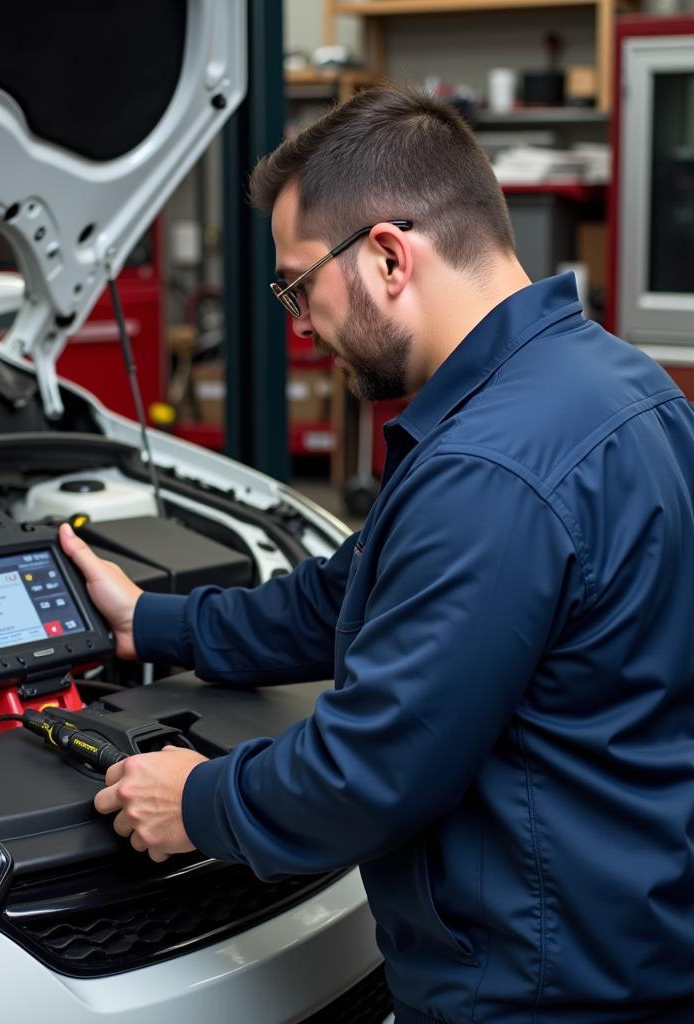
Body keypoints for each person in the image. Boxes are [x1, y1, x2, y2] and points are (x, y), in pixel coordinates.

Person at [59, 85, 694, 1023]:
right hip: (634, 925)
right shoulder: (613, 382)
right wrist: (148, 622)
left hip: (544, 991)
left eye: (297, 284)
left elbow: (369, 773)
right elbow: (343, 597)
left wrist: (194, 800)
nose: (300, 326)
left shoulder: (489, 469)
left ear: (390, 256)